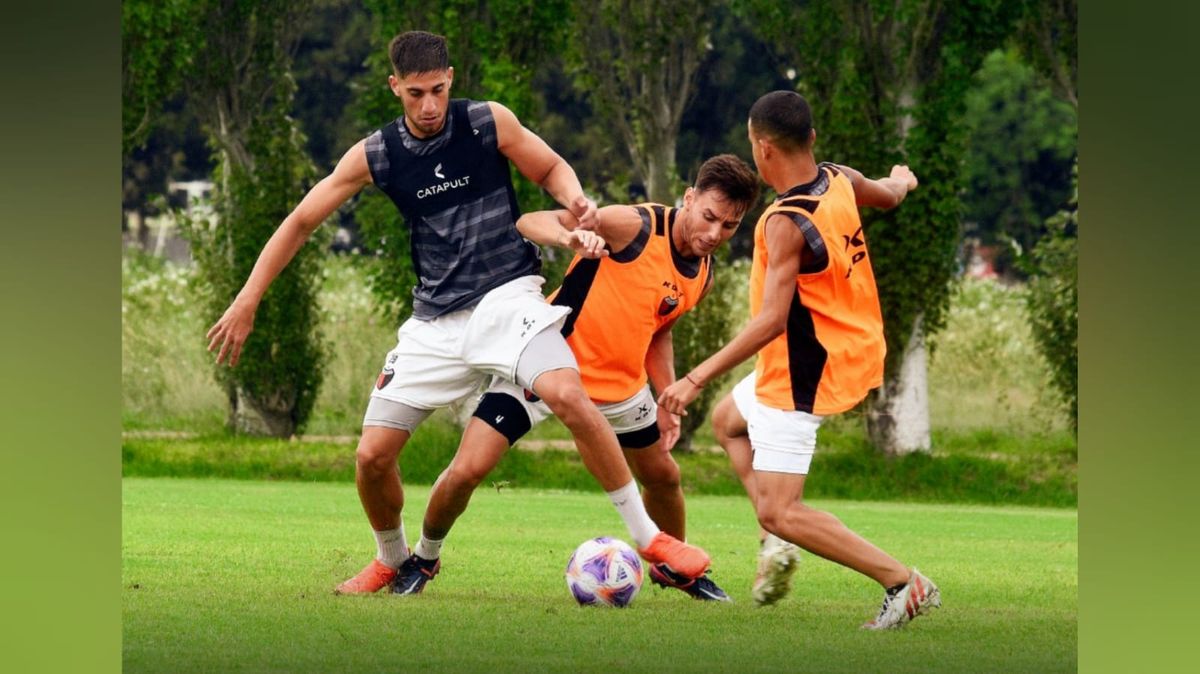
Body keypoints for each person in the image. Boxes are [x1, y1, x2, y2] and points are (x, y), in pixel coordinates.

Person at [204, 30, 709, 596]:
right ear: (394, 87)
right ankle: (393, 559)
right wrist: (247, 299)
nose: (428, 106)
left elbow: (550, 167)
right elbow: (301, 221)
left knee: (567, 393)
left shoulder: (487, 122)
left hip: (508, 296)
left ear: (452, 81)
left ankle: (649, 537)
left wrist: (575, 200)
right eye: (415, 93)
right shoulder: (377, 154)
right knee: (372, 456)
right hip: (434, 321)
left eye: (438, 90)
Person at [395, 155, 760, 600]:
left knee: (664, 477)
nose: (714, 234)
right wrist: (571, 236)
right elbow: (530, 221)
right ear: (689, 198)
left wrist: (666, 395)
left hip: (621, 389)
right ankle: (424, 557)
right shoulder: (633, 226)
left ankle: (672, 567)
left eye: (729, 226)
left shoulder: (702, 273)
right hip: (547, 366)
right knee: (467, 469)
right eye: (709, 216)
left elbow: (659, 326)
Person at [658, 90, 941, 629]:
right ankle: (778, 545)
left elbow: (769, 322)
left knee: (780, 508)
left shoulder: (782, 221)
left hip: (805, 370)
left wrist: (693, 378)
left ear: (760, 148)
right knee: (728, 424)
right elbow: (888, 194)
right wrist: (903, 178)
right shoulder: (838, 178)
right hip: (850, 346)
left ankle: (903, 582)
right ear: (810, 139)